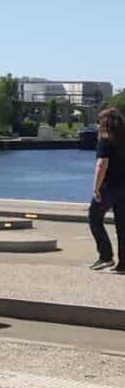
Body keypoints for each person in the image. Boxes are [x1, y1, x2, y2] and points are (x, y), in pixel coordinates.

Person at [89, 108, 125, 272]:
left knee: (94, 218)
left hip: (109, 187)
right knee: (122, 226)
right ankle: (123, 263)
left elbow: (102, 164)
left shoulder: (105, 139)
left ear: (104, 123)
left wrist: (96, 188)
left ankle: (105, 256)